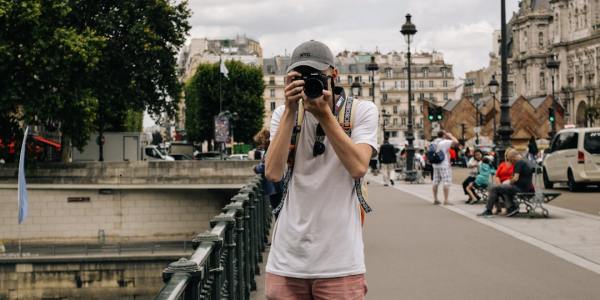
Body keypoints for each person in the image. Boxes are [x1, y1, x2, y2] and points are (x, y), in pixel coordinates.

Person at [264, 40, 376, 299]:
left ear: (333, 75)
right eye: (300, 76)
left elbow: (359, 167)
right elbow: (273, 173)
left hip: (340, 261)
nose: (307, 83)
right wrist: (291, 110)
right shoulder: (283, 114)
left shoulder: (361, 111)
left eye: (315, 76)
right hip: (286, 260)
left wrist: (325, 115)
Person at [478, 151, 535, 217]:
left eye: (511, 160)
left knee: (494, 188)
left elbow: (515, 178)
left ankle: (489, 210)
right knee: (503, 189)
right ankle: (511, 208)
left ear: (513, 158)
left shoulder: (519, 163)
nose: (511, 163)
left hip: (520, 188)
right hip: (526, 187)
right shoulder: (525, 161)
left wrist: (508, 182)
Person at [430, 130, 459, 205]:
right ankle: (446, 200)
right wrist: (450, 135)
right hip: (444, 164)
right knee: (446, 182)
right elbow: (456, 143)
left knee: (435, 182)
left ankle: (435, 199)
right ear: (444, 135)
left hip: (435, 164)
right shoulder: (444, 142)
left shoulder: (433, 142)